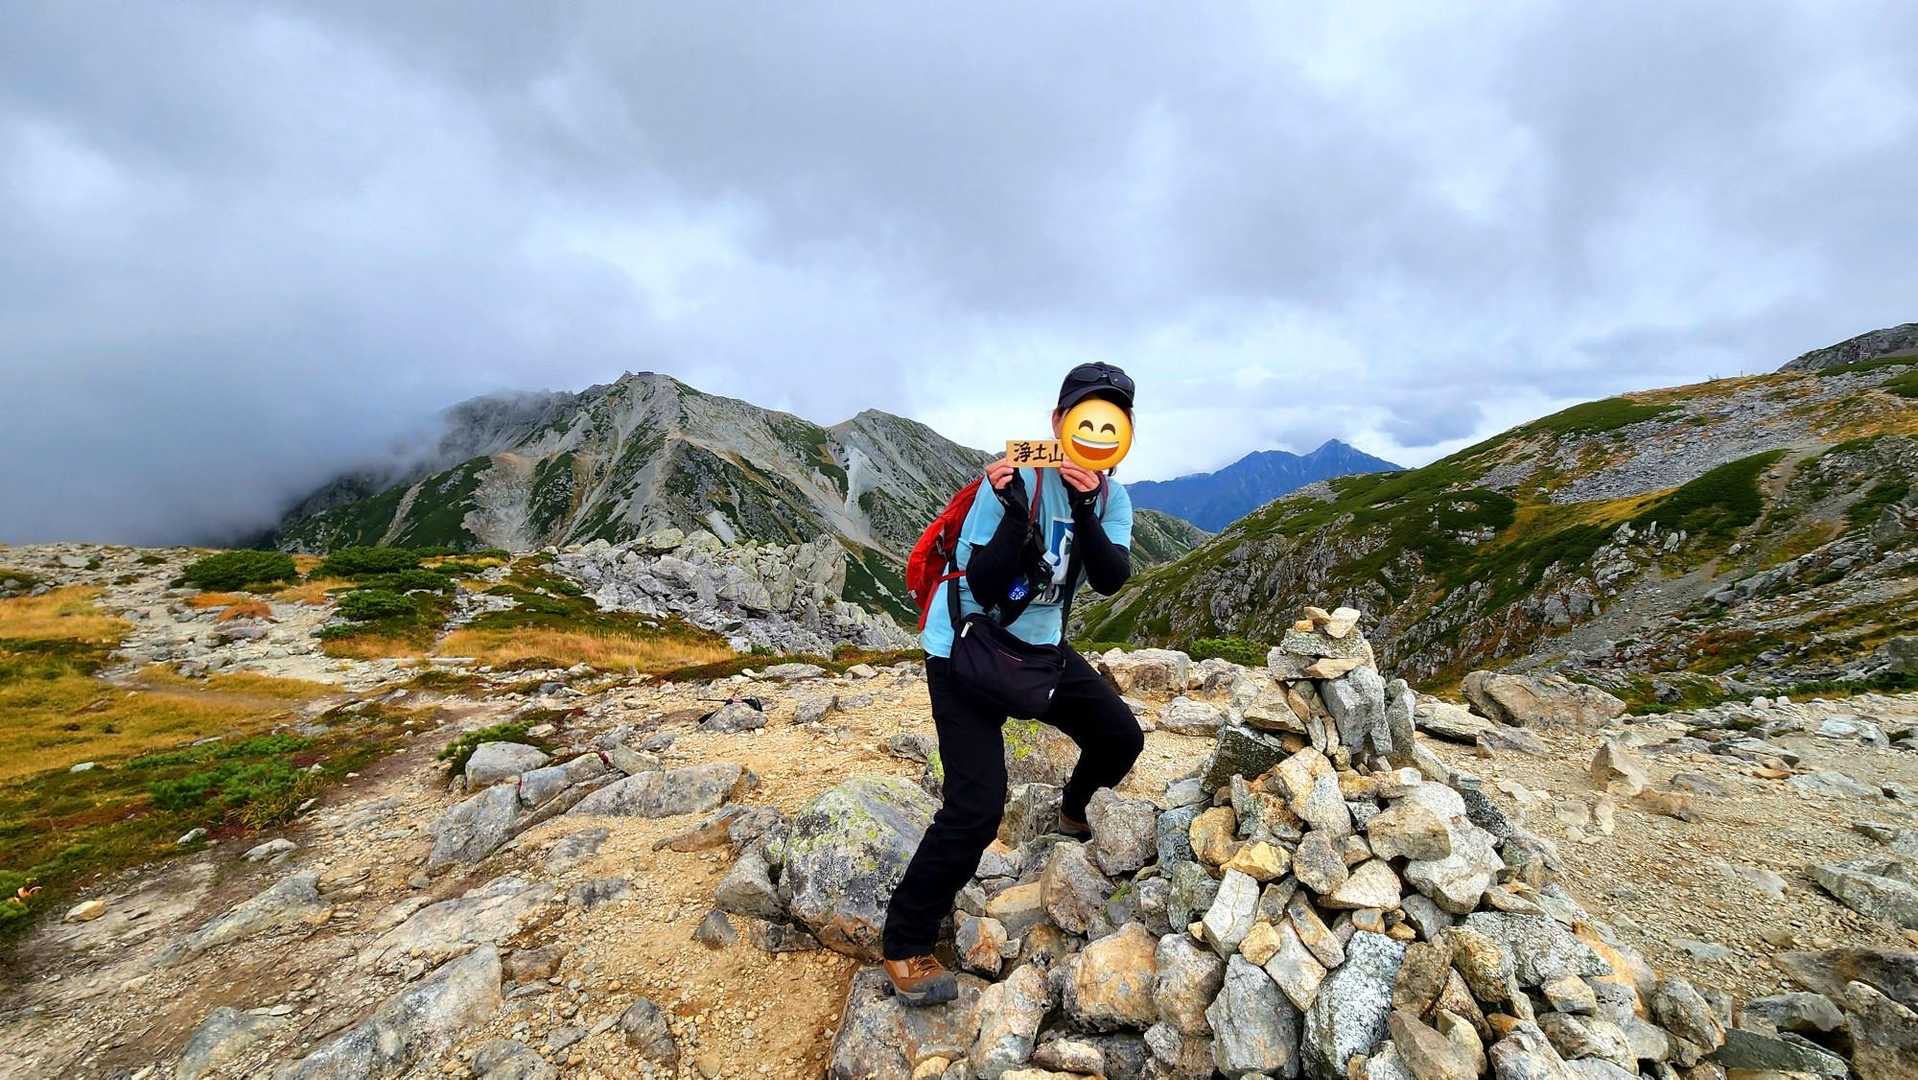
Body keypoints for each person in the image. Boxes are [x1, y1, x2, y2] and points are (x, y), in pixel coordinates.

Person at [880, 361, 1145, 1005]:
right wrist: (1013, 513)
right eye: (1085, 415)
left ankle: (1073, 814)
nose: (1097, 431)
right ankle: (905, 941)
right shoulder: (1011, 479)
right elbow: (985, 582)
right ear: (1058, 422)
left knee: (1119, 737)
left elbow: (1111, 576)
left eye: (1112, 418)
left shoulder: (1111, 497)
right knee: (976, 807)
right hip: (966, 648)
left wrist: (1083, 507)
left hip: (1039, 650)